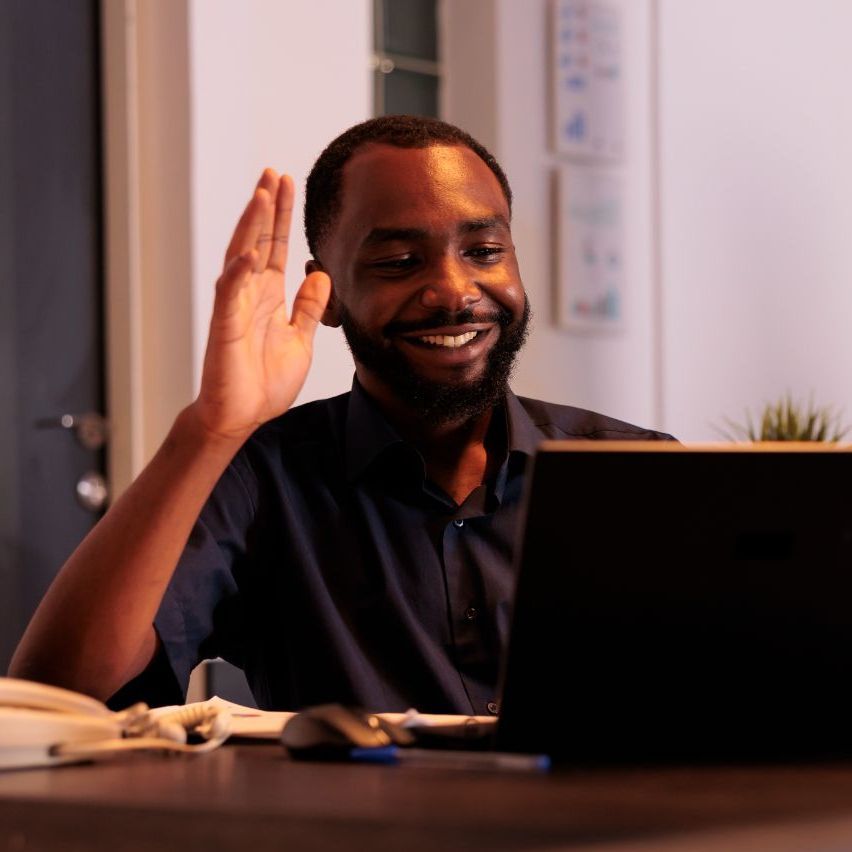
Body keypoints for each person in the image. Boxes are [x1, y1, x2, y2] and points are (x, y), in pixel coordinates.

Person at [9, 116, 673, 714]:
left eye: (483, 251)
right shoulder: (263, 481)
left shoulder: (638, 470)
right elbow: (62, 692)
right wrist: (210, 428)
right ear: (323, 293)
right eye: (398, 262)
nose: (452, 289)